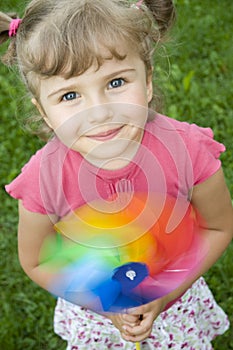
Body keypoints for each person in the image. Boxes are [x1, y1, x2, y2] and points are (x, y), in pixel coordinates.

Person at [1, 0, 233, 349]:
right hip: (95, 317)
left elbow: (219, 226)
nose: (99, 112)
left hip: (175, 307)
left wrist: (169, 289)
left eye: (116, 82)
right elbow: (36, 260)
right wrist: (104, 306)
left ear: (148, 80)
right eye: (69, 95)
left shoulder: (187, 151)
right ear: (44, 112)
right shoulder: (43, 180)